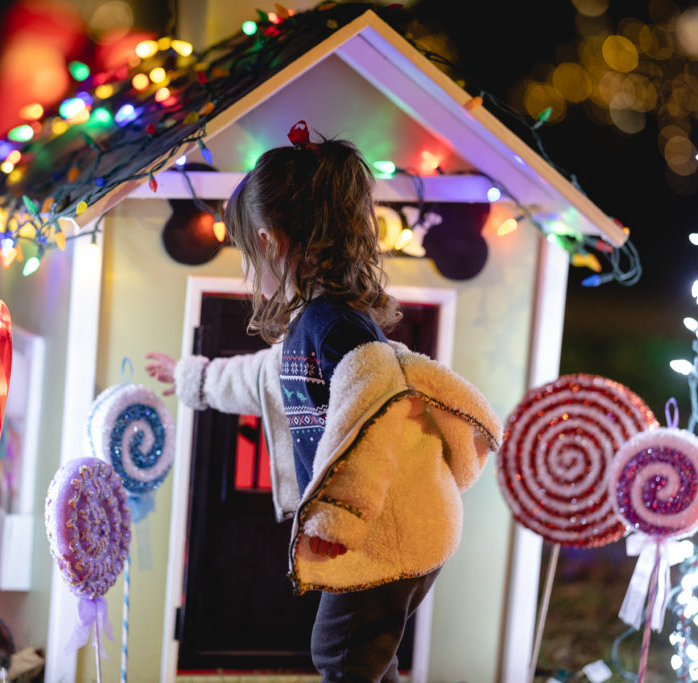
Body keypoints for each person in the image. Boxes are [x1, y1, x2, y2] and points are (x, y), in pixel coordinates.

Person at [146, 121, 502, 682]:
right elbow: (259, 379)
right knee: (362, 656)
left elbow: (375, 422)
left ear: (268, 239)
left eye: (245, 252)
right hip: (396, 524)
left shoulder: (335, 328)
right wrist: (193, 377)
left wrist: (339, 517)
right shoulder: (309, 332)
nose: (246, 269)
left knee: (339, 653)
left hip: (396, 523)